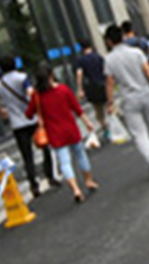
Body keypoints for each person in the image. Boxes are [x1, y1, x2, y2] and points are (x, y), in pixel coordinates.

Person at [103, 23, 149, 178]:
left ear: (109, 41)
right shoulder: (136, 53)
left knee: (139, 133)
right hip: (145, 93)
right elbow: (148, 71)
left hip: (128, 98)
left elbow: (110, 82)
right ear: (122, 37)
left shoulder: (109, 60)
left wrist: (110, 102)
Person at [25, 63, 99, 203]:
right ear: (52, 74)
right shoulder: (63, 89)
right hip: (71, 129)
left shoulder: (37, 96)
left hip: (54, 133)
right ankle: (88, 180)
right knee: (80, 155)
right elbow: (77, 109)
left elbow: (28, 114)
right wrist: (87, 123)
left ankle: (75, 189)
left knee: (65, 162)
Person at [0, 55, 57, 196]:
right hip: (32, 118)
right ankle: (50, 176)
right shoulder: (22, 77)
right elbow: (31, 94)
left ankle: (34, 185)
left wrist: (3, 111)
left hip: (17, 124)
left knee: (27, 155)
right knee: (45, 147)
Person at [75, 41, 109, 141]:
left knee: (98, 110)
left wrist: (80, 88)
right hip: (104, 85)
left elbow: (79, 74)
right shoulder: (99, 57)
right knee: (109, 106)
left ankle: (106, 129)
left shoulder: (81, 60)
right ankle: (115, 126)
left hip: (92, 87)